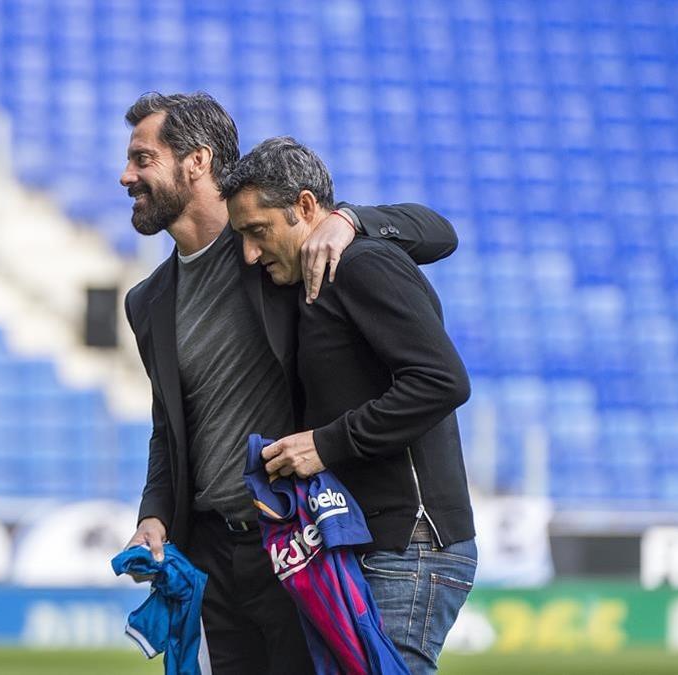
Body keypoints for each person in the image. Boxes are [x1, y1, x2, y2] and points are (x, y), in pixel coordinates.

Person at [118, 92, 460, 675]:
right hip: (212, 553)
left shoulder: (279, 249)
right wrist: (155, 512)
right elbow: (167, 428)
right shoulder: (147, 301)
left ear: (196, 162)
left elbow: (436, 233)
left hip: (296, 541)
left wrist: (351, 219)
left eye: (142, 158)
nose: (126, 176)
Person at [221, 136, 477, 675]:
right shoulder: (312, 280)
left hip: (410, 544)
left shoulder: (361, 263)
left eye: (257, 231)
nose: (249, 252)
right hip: (374, 542)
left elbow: (442, 381)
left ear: (307, 207)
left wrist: (324, 444)